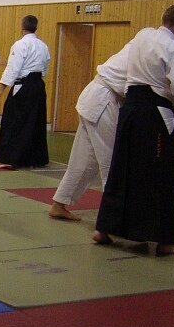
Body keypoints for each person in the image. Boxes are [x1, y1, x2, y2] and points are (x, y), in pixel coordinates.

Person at [94, 3, 174, 256]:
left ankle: (104, 228)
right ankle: (164, 240)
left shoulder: (142, 35)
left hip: (130, 110)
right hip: (155, 114)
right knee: (167, 176)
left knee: (122, 169)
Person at [49, 42, 130, 221]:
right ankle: (112, 217)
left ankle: (59, 204)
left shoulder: (142, 43)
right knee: (112, 162)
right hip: (104, 100)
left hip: (94, 96)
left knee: (83, 159)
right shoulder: (157, 48)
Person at [0, 15, 50, 169]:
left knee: (14, 121)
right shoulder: (43, 46)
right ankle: (35, 159)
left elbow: (13, 68)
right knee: (35, 122)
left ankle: (11, 158)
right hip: (38, 85)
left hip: (24, 86)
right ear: (35, 27)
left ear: (22, 27)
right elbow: (45, 67)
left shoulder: (20, 45)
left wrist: (1, 89)